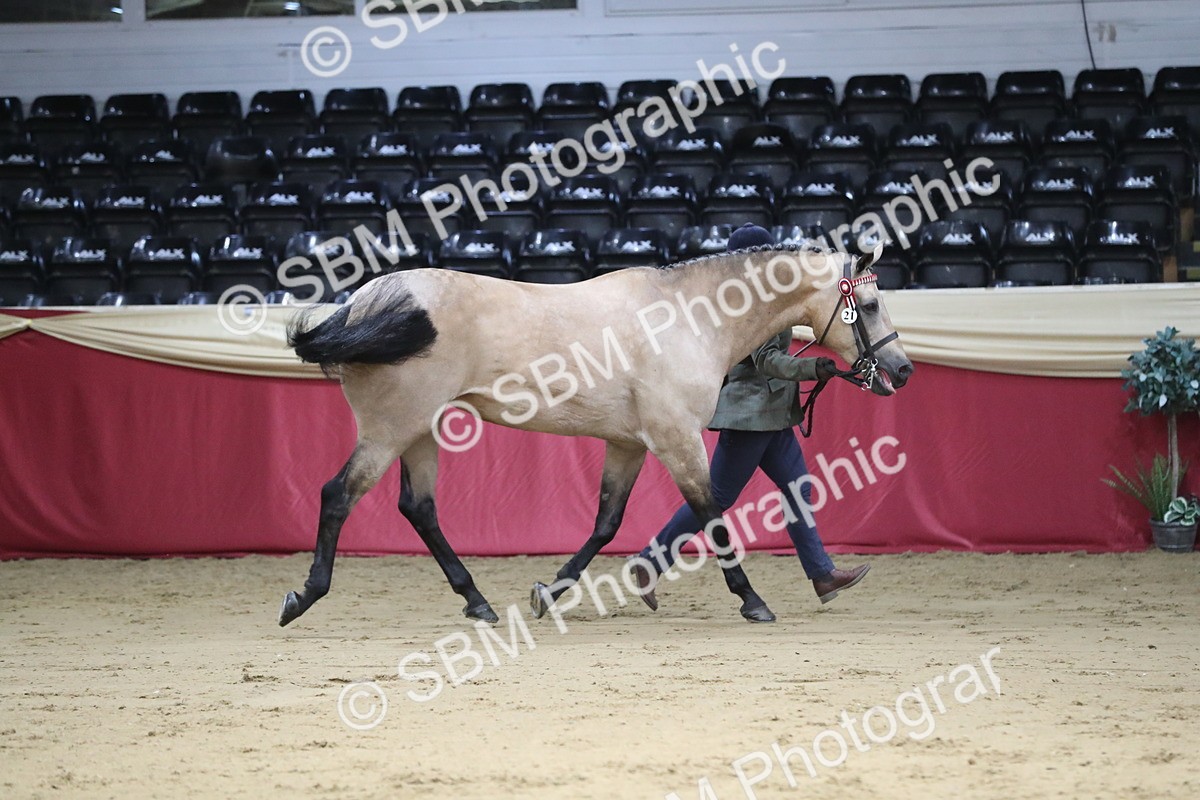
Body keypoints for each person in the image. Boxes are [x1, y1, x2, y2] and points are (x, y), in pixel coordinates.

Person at [632, 222, 869, 621]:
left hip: (773, 415)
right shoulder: (747, 305)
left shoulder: (767, 298)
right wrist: (815, 369)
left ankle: (822, 575)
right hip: (750, 415)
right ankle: (650, 562)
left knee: (797, 490)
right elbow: (767, 362)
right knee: (717, 498)